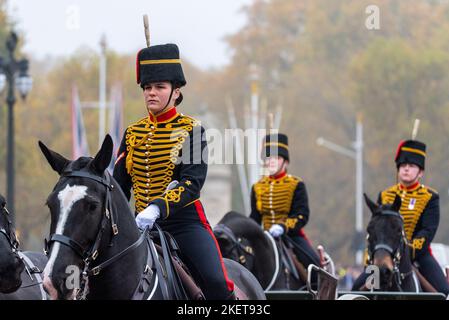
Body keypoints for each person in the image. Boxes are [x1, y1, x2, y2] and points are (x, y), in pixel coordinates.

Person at [113, 43, 235, 300]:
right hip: (139, 227)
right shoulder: (132, 133)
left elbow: (192, 183)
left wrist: (156, 207)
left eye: (160, 87)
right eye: (147, 87)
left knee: (215, 283)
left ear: (176, 92)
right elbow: (119, 186)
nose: (151, 93)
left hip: (183, 224)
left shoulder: (192, 130)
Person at [353, 139, 449, 295]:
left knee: (443, 290)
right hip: (385, 255)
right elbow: (376, 229)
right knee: (356, 288)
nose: (406, 169)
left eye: (411, 166)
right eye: (403, 166)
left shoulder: (430, 197)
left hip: (417, 255)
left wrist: (406, 251)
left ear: (421, 172)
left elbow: (428, 230)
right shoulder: (385, 195)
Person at [249, 133, 321, 272]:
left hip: (291, 236)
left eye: (276, 158)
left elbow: (302, 215)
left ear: (285, 162)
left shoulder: (296, 184)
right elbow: (255, 217)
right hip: (265, 237)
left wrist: (282, 227)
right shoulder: (257, 187)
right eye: (268, 158)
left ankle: (316, 291)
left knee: (314, 265)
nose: (272, 161)